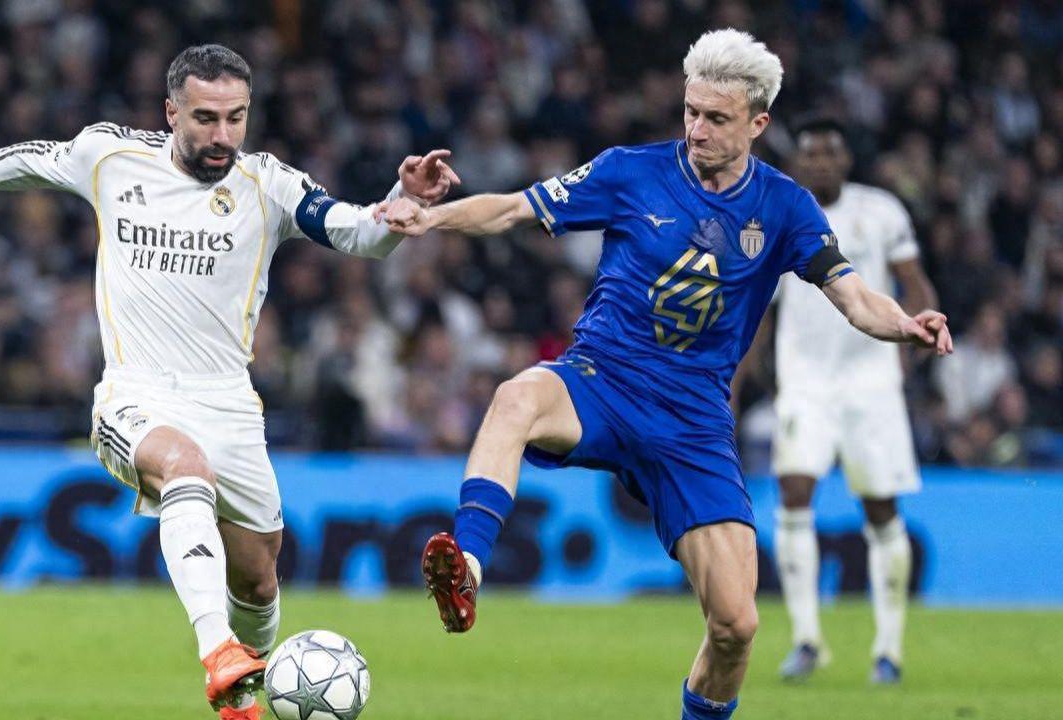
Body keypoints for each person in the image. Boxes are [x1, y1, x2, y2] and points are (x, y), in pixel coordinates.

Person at [379, 29, 952, 720]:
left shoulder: (785, 207)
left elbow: (855, 297)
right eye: (690, 111)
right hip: (603, 379)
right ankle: (467, 569)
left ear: (757, 124)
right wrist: (430, 216)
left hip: (693, 421)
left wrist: (906, 323)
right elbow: (511, 208)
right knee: (516, 396)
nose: (696, 130)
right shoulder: (630, 171)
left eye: (717, 118)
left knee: (736, 627)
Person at [0, 44, 458, 719]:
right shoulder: (110, 155)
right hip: (135, 394)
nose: (223, 135)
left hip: (230, 403)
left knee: (258, 578)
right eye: (206, 118)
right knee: (184, 467)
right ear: (171, 112)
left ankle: (240, 698)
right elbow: (29, 160)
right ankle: (217, 650)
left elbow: (357, 231)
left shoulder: (268, 183)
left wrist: (399, 202)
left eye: (236, 118)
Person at [766, 117, 939, 684]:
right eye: (810, 154)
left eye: (829, 153)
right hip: (804, 381)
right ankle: (806, 640)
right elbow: (761, 308)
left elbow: (914, 282)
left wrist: (918, 336)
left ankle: (888, 649)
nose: (820, 162)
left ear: (846, 159)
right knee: (794, 492)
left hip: (871, 382)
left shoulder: (881, 211)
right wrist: (737, 378)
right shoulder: (780, 214)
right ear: (799, 162)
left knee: (880, 507)